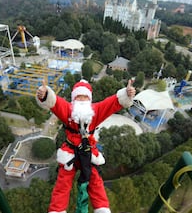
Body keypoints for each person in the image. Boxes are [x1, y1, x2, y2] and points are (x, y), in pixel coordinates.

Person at [36, 79, 136, 213]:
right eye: (78, 96)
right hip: (70, 152)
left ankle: (102, 209)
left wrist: (127, 94)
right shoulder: (68, 110)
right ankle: (57, 210)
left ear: (89, 99)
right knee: (62, 183)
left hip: (87, 151)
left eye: (84, 96)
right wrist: (45, 94)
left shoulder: (95, 111)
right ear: (74, 99)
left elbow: (112, 103)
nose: (81, 99)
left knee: (95, 180)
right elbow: (55, 103)